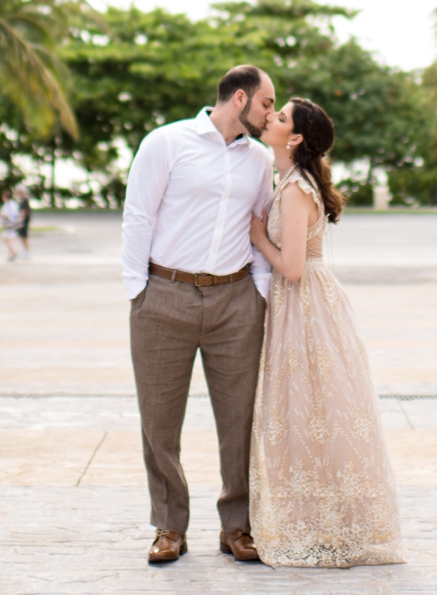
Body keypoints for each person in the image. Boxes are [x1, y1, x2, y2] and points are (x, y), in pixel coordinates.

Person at [120, 64, 277, 565]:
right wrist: (138, 292)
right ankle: (169, 525)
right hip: (164, 295)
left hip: (235, 303)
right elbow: (138, 214)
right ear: (238, 98)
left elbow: (261, 224)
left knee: (241, 419)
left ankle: (239, 525)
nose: (271, 112)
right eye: (267, 103)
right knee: (160, 420)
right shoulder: (166, 143)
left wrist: (260, 293)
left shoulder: (258, 160)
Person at [246, 97, 404, 568]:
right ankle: (323, 520)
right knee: (313, 413)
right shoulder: (290, 180)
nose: (269, 118)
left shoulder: (295, 190)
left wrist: (258, 238)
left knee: (308, 412)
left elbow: (292, 267)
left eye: (279, 117)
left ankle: (322, 526)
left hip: (304, 304)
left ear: (294, 138)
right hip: (307, 304)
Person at [0, 189, 25, 261]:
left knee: (5, 239)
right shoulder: (12, 203)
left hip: (10, 225)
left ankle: (14, 252)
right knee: (9, 240)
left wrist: (4, 215)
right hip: (10, 224)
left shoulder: (10, 204)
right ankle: (11, 255)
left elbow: (10, 214)